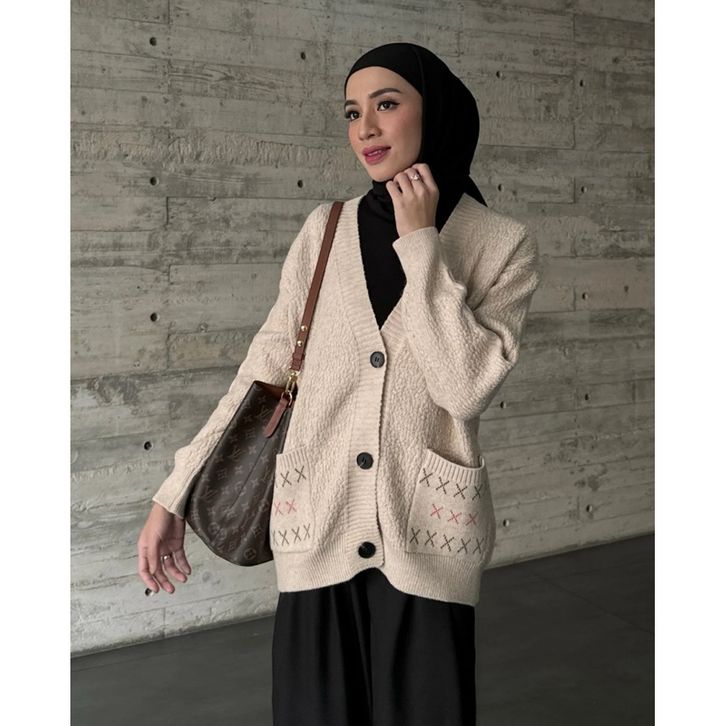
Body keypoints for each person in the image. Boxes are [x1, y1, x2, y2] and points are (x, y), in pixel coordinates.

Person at [137, 42, 541, 726]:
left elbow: (464, 386)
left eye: (387, 104)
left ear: (433, 111)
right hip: (315, 526)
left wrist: (421, 244)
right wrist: (174, 491)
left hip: (425, 538)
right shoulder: (324, 230)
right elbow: (263, 369)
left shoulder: (501, 245)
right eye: (353, 113)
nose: (366, 128)